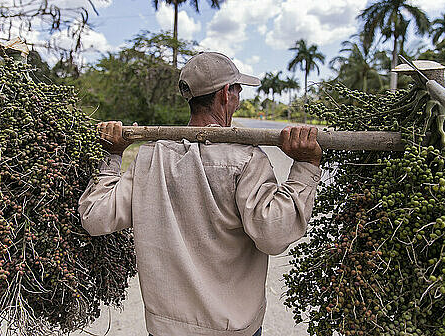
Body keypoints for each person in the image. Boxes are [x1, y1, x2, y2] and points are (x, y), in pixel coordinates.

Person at [78, 52, 323, 336]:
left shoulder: (150, 157)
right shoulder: (246, 160)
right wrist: (305, 166)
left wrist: (112, 155)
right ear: (224, 95)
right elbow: (274, 234)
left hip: (164, 330)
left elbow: (95, 216)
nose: (239, 96)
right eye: (238, 89)